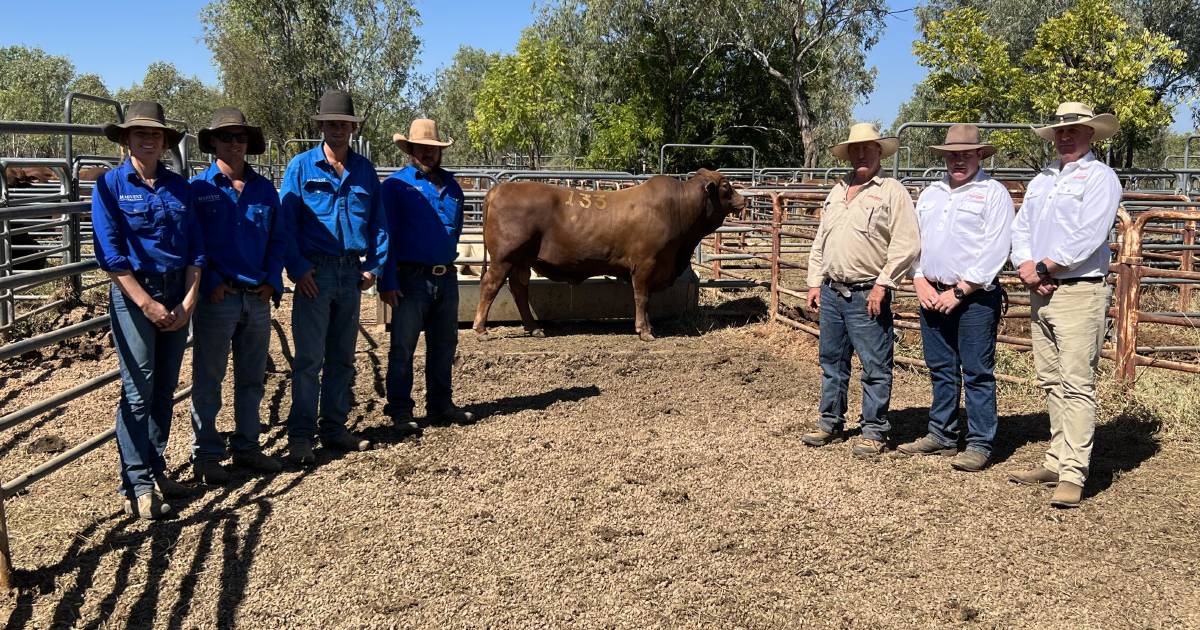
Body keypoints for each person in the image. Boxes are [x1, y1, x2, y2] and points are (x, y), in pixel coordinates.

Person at [92, 101, 204, 519]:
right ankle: (136, 481)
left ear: (165, 141)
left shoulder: (180, 188)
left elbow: (196, 246)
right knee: (138, 390)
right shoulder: (109, 187)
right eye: (140, 132)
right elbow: (110, 253)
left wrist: (188, 299)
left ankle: (153, 469)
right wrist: (146, 302)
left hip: (177, 289)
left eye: (155, 133)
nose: (148, 138)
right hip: (136, 292)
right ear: (126, 139)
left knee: (163, 389)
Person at [1008, 102, 1121, 508]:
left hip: (1078, 288)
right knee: (1052, 380)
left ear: (1091, 134)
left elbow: (1089, 234)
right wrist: (1025, 264)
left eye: (1074, 130)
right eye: (1060, 131)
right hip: (1044, 286)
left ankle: (1074, 471)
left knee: (1076, 383)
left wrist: (1041, 266)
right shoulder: (1042, 180)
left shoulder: (1100, 178)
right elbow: (1021, 227)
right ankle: (1058, 459)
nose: (1065, 136)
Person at [896, 124, 1013, 472]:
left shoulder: (993, 193)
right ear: (944, 157)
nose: (958, 160)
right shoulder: (932, 194)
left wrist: (961, 290)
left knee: (976, 370)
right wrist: (918, 279)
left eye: (965, 153)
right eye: (952, 154)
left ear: (979, 154)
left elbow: (996, 248)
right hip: (932, 290)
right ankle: (942, 432)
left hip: (973, 296)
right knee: (941, 368)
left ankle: (979, 441)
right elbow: (914, 240)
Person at [281, 89, 388, 465]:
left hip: (350, 272)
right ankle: (300, 435)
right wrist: (297, 268)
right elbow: (286, 224)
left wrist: (374, 266)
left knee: (343, 357)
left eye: (344, 123)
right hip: (315, 271)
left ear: (352, 128)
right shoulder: (300, 167)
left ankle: (334, 427)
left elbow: (378, 223)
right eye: (331, 123)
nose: (338, 129)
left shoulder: (365, 171)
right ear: (322, 126)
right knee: (309, 359)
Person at [801, 123, 920, 457]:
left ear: (879, 151)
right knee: (831, 361)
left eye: (868, 148)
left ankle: (874, 430)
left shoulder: (892, 191)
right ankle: (830, 422)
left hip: (867, 291)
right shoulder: (838, 190)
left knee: (875, 364)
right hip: (832, 290)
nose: (862, 153)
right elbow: (820, 241)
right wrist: (814, 281)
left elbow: (906, 244)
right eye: (856, 149)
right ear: (849, 154)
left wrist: (884, 284)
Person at [188, 107, 286, 483]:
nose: (234, 143)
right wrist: (211, 281)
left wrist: (271, 281)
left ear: (248, 143)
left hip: (256, 297)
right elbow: (193, 241)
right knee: (208, 378)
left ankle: (247, 446)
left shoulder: (263, 190)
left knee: (252, 377)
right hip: (219, 297)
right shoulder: (199, 190)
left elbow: (277, 239)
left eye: (240, 137)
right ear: (212, 142)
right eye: (226, 136)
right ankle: (207, 455)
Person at [379, 119, 476, 434]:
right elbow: (385, 235)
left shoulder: (452, 186)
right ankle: (400, 409)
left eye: (433, 149)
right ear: (411, 150)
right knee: (403, 346)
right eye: (422, 148)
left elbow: (457, 228)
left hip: (445, 276)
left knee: (445, 344)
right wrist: (388, 280)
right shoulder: (396, 187)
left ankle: (440, 404)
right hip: (411, 276)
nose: (428, 153)